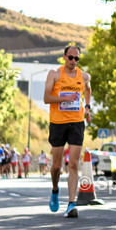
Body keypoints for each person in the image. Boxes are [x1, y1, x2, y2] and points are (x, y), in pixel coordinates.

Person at [44, 43, 92, 218]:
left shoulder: (84, 76)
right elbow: (46, 97)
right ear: (64, 57)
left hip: (77, 122)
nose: (73, 61)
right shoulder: (55, 74)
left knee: (73, 163)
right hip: (57, 123)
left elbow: (88, 89)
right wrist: (64, 97)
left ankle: (72, 203)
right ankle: (55, 189)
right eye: (70, 57)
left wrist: (87, 107)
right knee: (56, 166)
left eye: (77, 58)